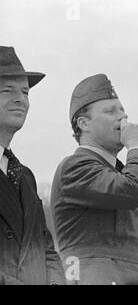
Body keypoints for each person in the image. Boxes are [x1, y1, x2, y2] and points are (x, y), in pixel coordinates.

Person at [51, 74, 138, 285]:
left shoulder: (123, 172)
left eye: (122, 110)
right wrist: (137, 146)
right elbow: (136, 190)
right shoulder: (74, 167)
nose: (122, 117)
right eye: (110, 111)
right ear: (84, 123)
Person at [0, 46, 65, 285]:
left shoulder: (24, 175)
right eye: (8, 90)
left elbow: (46, 248)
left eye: (25, 92)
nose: (21, 99)